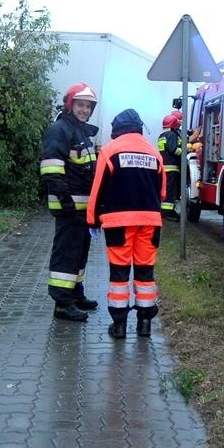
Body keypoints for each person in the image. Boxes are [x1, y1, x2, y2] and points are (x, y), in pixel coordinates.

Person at [87, 108, 166, 339]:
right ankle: (144, 325)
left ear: (116, 129)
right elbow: (161, 192)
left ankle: (119, 326)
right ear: (139, 127)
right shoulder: (154, 153)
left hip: (118, 223)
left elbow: (97, 189)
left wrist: (91, 220)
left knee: (119, 275)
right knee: (145, 272)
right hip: (150, 221)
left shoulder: (110, 151)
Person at [40, 83, 101, 321]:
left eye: (88, 106)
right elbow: (51, 167)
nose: (84, 110)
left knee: (79, 253)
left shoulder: (81, 132)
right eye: (80, 105)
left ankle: (76, 294)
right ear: (70, 104)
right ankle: (62, 304)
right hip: (69, 206)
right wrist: (63, 198)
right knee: (66, 254)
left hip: (83, 208)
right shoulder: (59, 130)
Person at [158, 113, 183, 221]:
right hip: (172, 167)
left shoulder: (161, 136)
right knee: (170, 191)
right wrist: (185, 151)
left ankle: (167, 211)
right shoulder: (172, 135)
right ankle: (167, 213)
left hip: (165, 167)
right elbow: (174, 150)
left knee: (167, 190)